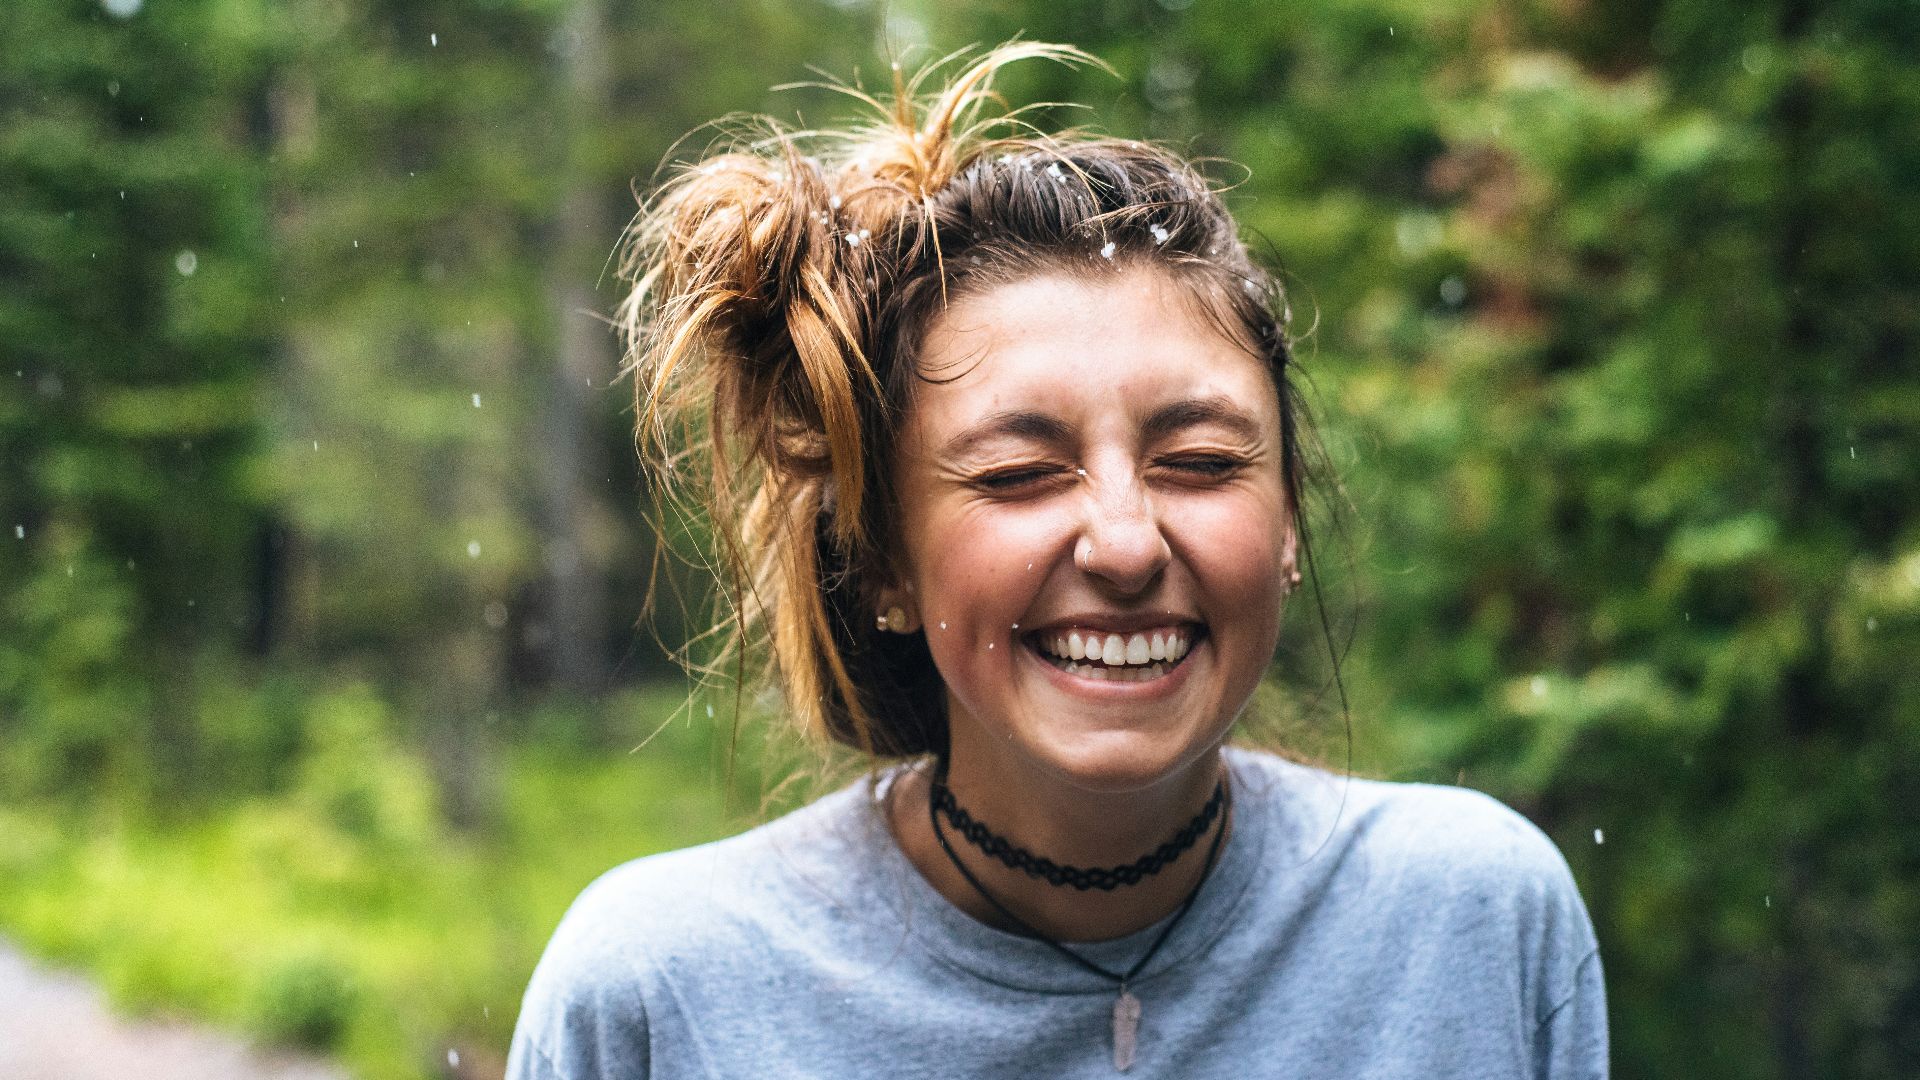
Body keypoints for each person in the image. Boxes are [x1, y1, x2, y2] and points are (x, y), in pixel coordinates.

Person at [506, 43, 1606, 1079]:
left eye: (1200, 462)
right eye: (1019, 474)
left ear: (1287, 527)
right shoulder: (664, 994)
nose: (1124, 544)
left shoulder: (1473, 926)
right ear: (885, 561)